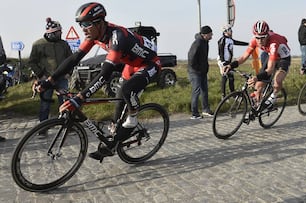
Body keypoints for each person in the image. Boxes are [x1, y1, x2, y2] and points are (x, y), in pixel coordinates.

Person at [36, 2, 161, 160]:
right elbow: (73, 59)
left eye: (87, 24)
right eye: (81, 24)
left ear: (100, 22)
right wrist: (49, 81)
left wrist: (81, 97)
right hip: (131, 65)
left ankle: (133, 119)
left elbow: (106, 73)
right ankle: (113, 142)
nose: (83, 29)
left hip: (149, 64)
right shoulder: (94, 36)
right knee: (119, 97)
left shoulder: (118, 36)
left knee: (128, 90)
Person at [225, 20, 291, 110]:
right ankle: (258, 106)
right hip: (271, 55)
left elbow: (270, 69)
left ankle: (273, 97)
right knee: (258, 86)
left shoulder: (273, 43)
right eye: (257, 37)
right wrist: (231, 65)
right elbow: (244, 57)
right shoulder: (254, 41)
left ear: (267, 35)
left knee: (277, 80)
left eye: (263, 37)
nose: (260, 41)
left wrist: (256, 77)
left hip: (283, 58)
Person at [28, 17, 72, 136]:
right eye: (59, 32)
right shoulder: (38, 44)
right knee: (45, 104)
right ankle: (43, 128)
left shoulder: (64, 44)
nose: (61, 33)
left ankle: (68, 125)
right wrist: (41, 75)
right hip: (45, 79)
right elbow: (32, 61)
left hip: (62, 79)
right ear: (51, 33)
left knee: (65, 102)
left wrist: (69, 72)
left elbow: (71, 59)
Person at [188, 25, 214, 119]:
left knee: (205, 91)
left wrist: (205, 68)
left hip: (202, 72)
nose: (212, 35)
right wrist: (197, 69)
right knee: (196, 91)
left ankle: (206, 110)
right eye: (211, 34)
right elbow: (191, 57)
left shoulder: (205, 42)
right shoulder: (198, 43)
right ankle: (194, 113)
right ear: (205, 35)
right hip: (195, 72)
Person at [217, 24, 248, 100]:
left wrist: (249, 44)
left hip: (228, 62)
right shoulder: (222, 40)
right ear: (225, 31)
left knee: (231, 78)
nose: (232, 31)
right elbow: (220, 51)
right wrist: (223, 62)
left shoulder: (230, 40)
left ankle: (233, 94)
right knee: (225, 77)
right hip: (223, 61)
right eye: (230, 30)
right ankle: (223, 96)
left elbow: (237, 42)